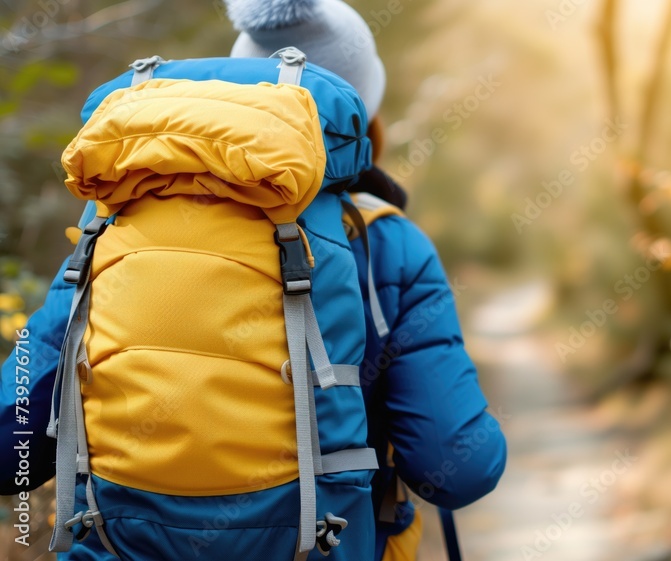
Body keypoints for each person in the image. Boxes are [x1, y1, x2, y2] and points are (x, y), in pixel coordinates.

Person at [0, 1, 507, 559]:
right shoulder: (387, 243)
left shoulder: (116, 220)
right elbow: (456, 470)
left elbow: (10, 444)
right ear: (364, 107)